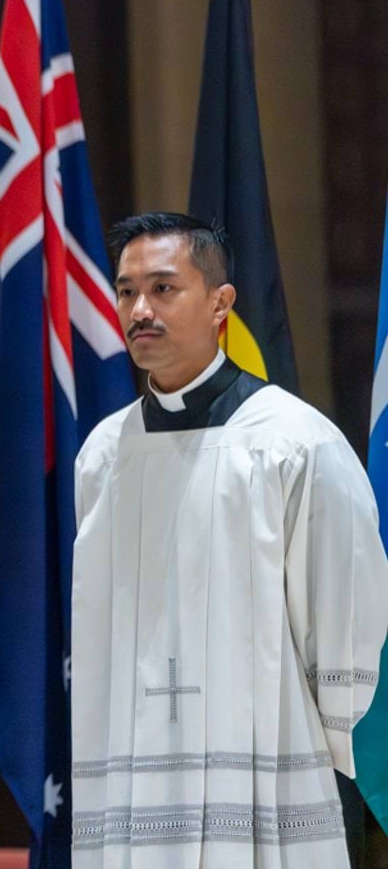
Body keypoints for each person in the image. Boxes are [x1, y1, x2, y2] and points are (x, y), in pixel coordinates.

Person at [71, 213, 388, 866]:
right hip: (132, 775)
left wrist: (318, 737)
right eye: (127, 291)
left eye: (163, 289)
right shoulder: (105, 455)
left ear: (221, 303)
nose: (139, 310)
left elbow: (346, 613)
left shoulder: (293, 444)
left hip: (268, 767)